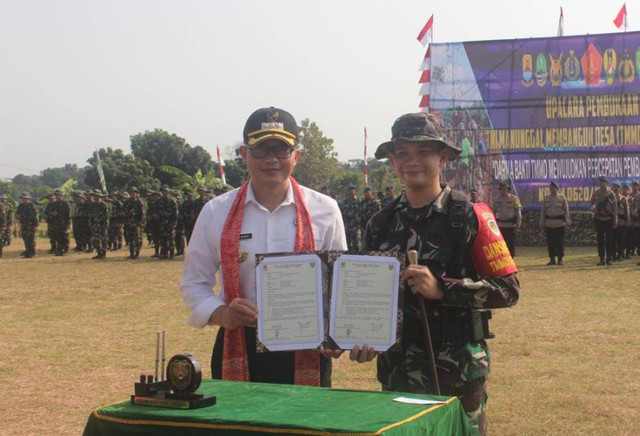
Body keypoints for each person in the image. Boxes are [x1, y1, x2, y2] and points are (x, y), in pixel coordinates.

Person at [350, 112, 520, 435]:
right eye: (402, 153)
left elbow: (510, 289)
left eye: (423, 152)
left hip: (456, 376)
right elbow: (366, 296)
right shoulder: (379, 225)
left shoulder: (470, 216)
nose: (411, 161)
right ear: (392, 159)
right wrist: (362, 338)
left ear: (443, 157)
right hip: (398, 378)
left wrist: (444, 288)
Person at [181, 106, 347, 387]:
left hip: (307, 346)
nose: (271, 159)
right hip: (239, 342)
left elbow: (341, 284)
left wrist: (340, 333)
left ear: (296, 155)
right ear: (245, 154)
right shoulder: (216, 212)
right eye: (261, 149)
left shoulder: (325, 210)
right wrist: (223, 314)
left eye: (281, 149)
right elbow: (193, 284)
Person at [540, 181, 571, 265]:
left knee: (559, 243)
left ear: (557, 188)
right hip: (549, 224)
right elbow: (543, 211)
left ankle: (560, 259)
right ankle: (552, 259)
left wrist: (567, 223)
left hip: (559, 224)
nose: (551, 189)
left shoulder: (562, 198)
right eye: (550, 187)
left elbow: (566, 211)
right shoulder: (546, 198)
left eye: (553, 187)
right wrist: (542, 223)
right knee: (550, 243)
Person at [590, 176, 617, 266]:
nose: (601, 183)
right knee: (600, 240)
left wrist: (615, 219)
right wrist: (593, 208)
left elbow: (615, 207)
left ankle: (609, 258)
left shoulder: (611, 193)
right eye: (600, 182)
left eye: (603, 182)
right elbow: (592, 203)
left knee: (609, 240)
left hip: (608, 219)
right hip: (599, 219)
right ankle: (602, 258)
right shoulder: (596, 193)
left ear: (606, 183)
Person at [492, 182, 521, 257]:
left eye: (504, 189)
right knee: (501, 243)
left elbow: (518, 212)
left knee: (511, 243)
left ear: (508, 190)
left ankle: (511, 258)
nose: (502, 191)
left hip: (511, 225)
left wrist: (518, 222)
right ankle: (503, 258)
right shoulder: (497, 200)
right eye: (501, 189)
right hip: (501, 225)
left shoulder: (514, 199)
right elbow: (493, 212)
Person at [122, 187, 146, 259]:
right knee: (130, 239)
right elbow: (123, 211)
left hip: (137, 223)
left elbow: (142, 213)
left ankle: (137, 253)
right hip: (129, 222)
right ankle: (132, 253)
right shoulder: (127, 202)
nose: (133, 194)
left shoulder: (139, 202)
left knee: (137, 239)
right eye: (131, 192)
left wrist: (141, 222)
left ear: (136, 193)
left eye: (134, 192)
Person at [16, 192, 39, 258]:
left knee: (31, 239)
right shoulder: (21, 206)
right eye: (22, 198)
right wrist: (17, 216)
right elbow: (17, 213)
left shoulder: (32, 205)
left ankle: (31, 252)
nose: (24, 199)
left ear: (28, 198)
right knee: (25, 238)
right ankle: (28, 251)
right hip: (24, 224)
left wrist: (36, 225)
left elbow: (36, 216)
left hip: (31, 225)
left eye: (25, 198)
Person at [49, 189, 71, 256]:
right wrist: (53, 213)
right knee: (58, 237)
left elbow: (68, 214)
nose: (57, 196)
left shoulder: (66, 204)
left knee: (64, 237)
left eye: (58, 195)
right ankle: (59, 250)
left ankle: (65, 250)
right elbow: (49, 212)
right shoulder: (54, 204)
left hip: (64, 223)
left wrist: (68, 224)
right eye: (56, 195)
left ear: (61, 195)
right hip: (56, 223)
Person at [340, 184, 360, 251]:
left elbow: (360, 214)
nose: (351, 192)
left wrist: (357, 226)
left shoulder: (359, 201)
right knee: (347, 243)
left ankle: (357, 258)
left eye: (353, 190)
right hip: (347, 225)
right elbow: (342, 213)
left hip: (355, 226)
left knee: (356, 243)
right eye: (350, 191)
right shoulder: (345, 201)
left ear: (355, 191)